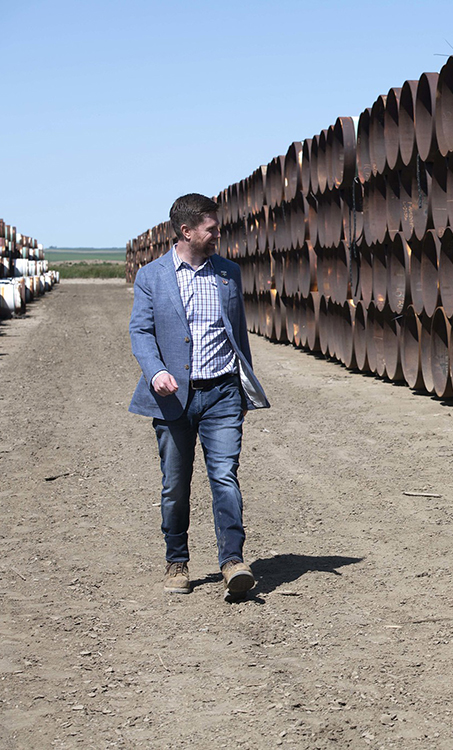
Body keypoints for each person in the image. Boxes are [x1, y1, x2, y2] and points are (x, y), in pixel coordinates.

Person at [129, 193, 269, 601]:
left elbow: (238, 332)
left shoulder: (228, 273)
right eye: (212, 228)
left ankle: (232, 562)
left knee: (224, 476)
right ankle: (177, 561)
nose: (218, 233)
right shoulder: (151, 276)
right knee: (175, 484)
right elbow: (140, 332)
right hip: (174, 399)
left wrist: (244, 384)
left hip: (222, 393)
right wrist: (155, 371)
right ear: (187, 231)